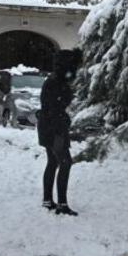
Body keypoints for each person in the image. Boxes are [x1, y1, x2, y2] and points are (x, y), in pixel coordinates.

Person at [38, 49, 81, 216]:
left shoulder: (54, 81)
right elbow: (54, 108)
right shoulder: (56, 83)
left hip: (49, 126)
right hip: (54, 129)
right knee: (65, 162)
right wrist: (59, 131)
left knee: (53, 162)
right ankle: (62, 204)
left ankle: (48, 200)